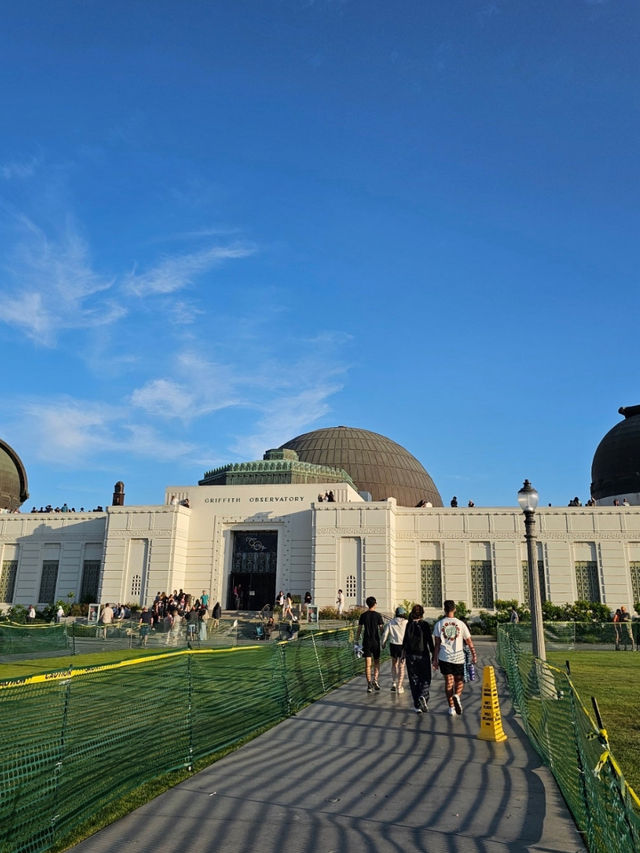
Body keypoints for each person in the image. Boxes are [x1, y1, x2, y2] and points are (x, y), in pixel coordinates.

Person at [432, 600, 477, 716]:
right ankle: (457, 695)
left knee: (449, 682)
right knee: (459, 681)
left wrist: (435, 659)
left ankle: (451, 707)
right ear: (455, 609)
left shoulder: (439, 624)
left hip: (444, 657)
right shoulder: (460, 624)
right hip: (458, 657)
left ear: (444, 610)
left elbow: (437, 644)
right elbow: (469, 641)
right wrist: (474, 655)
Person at [402, 604, 435, 713]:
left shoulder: (409, 624)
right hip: (423, 654)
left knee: (414, 679)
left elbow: (405, 640)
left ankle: (417, 705)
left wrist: (403, 653)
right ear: (422, 614)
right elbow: (429, 640)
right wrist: (434, 654)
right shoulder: (425, 625)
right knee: (425, 677)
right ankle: (423, 696)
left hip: (410, 655)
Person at [355, 596, 384, 693]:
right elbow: (381, 629)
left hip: (366, 642)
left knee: (368, 664)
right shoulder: (378, 615)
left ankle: (369, 684)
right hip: (375, 641)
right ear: (374, 604)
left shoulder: (363, 615)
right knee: (377, 662)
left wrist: (356, 640)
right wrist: (383, 640)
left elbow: (359, 629)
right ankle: (375, 679)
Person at [381, 606, 408, 694]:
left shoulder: (391, 622)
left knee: (394, 664)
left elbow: (385, 634)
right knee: (402, 666)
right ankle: (399, 686)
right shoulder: (407, 623)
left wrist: (383, 643)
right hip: (403, 646)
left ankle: (393, 682)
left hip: (393, 645)